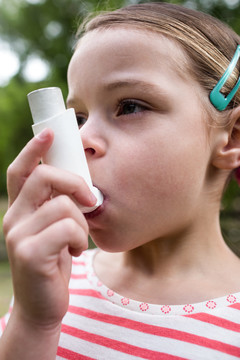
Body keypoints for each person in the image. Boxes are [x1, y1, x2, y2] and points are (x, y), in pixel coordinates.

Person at [0, 2, 240, 359]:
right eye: (78, 117)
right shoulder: (49, 281)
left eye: (129, 106)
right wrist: (34, 324)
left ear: (233, 138)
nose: (80, 139)